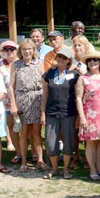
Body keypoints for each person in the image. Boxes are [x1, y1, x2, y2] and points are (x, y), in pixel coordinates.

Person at [40, 47, 79, 179]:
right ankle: (54, 168)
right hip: (51, 113)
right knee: (51, 143)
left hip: (68, 113)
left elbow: (78, 95)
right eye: (59, 57)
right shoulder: (48, 74)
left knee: (68, 142)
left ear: (69, 60)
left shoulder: (75, 74)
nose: (61, 59)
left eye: (64, 57)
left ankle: (66, 169)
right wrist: (42, 113)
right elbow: (44, 95)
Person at [8, 39, 46, 173]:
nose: (27, 51)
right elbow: (11, 86)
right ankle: (24, 161)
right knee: (23, 133)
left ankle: (40, 160)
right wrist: (13, 104)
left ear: (33, 50)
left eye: (30, 49)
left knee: (36, 132)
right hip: (22, 100)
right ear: (20, 51)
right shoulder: (16, 65)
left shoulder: (39, 64)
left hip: (36, 100)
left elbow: (44, 84)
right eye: (24, 49)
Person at [76, 50, 100, 180]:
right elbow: (79, 98)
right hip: (89, 115)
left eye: (95, 60)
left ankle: (99, 167)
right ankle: (92, 169)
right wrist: (82, 118)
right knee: (91, 143)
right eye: (89, 60)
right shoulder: (83, 78)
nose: (92, 62)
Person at [0, 41, 18, 153]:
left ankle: (21, 142)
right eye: (5, 49)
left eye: (11, 49)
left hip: (19, 97)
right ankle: (9, 141)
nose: (9, 52)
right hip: (4, 98)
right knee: (9, 122)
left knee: (21, 122)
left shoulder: (20, 62)